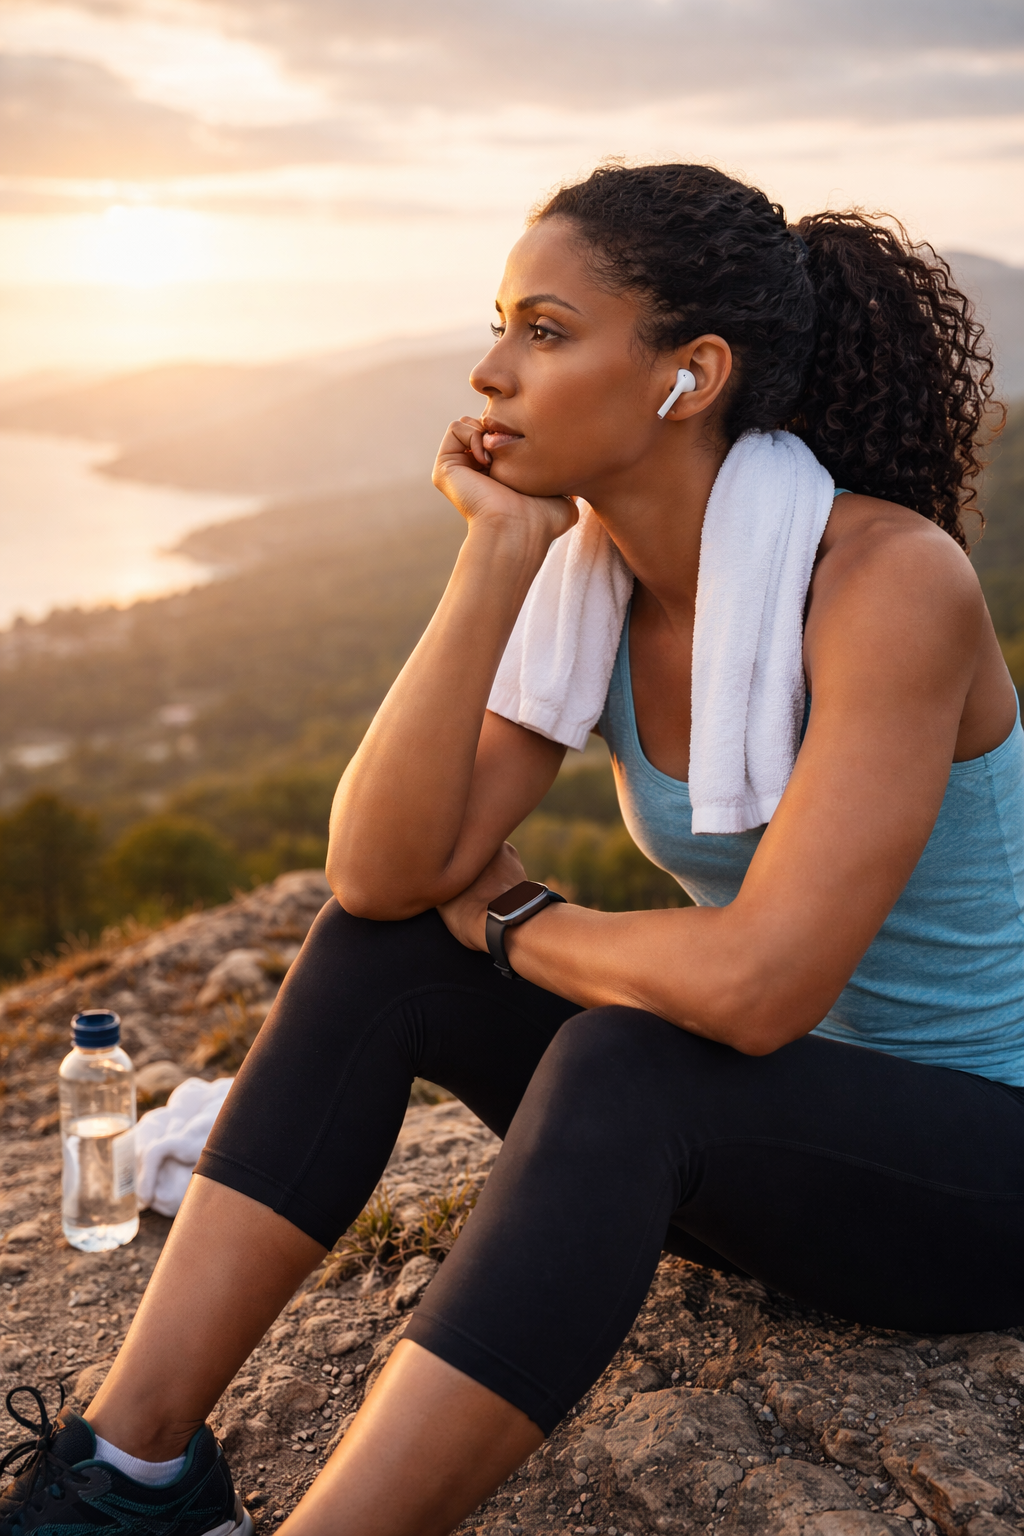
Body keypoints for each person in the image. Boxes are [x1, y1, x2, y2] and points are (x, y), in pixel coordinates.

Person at [2, 162, 1018, 1536]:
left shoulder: (886, 584)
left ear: (689, 374)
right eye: (501, 325)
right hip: (785, 1137)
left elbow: (762, 987)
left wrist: (515, 920)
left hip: (977, 1168)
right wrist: (493, 559)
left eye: (544, 329)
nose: (489, 371)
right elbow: (377, 873)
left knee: (624, 1060)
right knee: (379, 949)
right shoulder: (592, 580)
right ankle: (129, 1473)